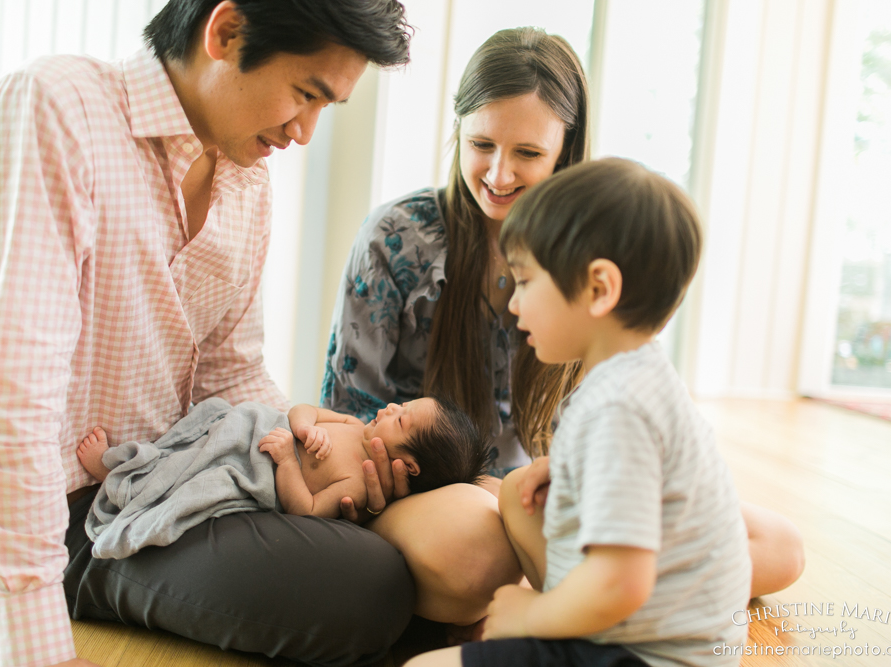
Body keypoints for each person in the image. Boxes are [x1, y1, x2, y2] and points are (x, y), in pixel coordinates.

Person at [0, 1, 412, 666]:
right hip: (89, 510)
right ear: (225, 31)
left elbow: (232, 371)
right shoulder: (55, 109)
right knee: (370, 587)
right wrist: (29, 639)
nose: (304, 131)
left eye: (324, 108)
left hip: (194, 475)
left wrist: (334, 443)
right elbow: (4, 400)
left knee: (410, 558)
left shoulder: (247, 181)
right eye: (305, 94)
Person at [322, 27, 805, 630]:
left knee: (780, 546)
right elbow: (345, 408)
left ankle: (599, 599)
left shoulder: (592, 258)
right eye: (481, 145)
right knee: (478, 552)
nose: (499, 174)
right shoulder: (398, 237)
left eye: (527, 153)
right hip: (431, 489)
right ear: (458, 136)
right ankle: (609, 599)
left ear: (565, 151)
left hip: (545, 490)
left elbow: (619, 406)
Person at [406, 158, 752, 667]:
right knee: (517, 498)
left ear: (598, 288)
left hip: (643, 655)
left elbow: (622, 580)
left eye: (524, 281)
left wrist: (532, 617)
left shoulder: (619, 410)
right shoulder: (639, 379)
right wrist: (567, 468)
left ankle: (561, 624)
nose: (515, 304)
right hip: (651, 635)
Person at [75, 396, 486, 559]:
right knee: (177, 448)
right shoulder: (354, 424)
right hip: (251, 427)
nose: (392, 406)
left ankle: (120, 480)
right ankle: (128, 464)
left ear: (409, 467)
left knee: (184, 479)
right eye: (403, 403)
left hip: (253, 466)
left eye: (402, 418)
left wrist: (289, 461)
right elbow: (303, 410)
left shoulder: (357, 485)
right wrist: (307, 428)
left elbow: (304, 510)